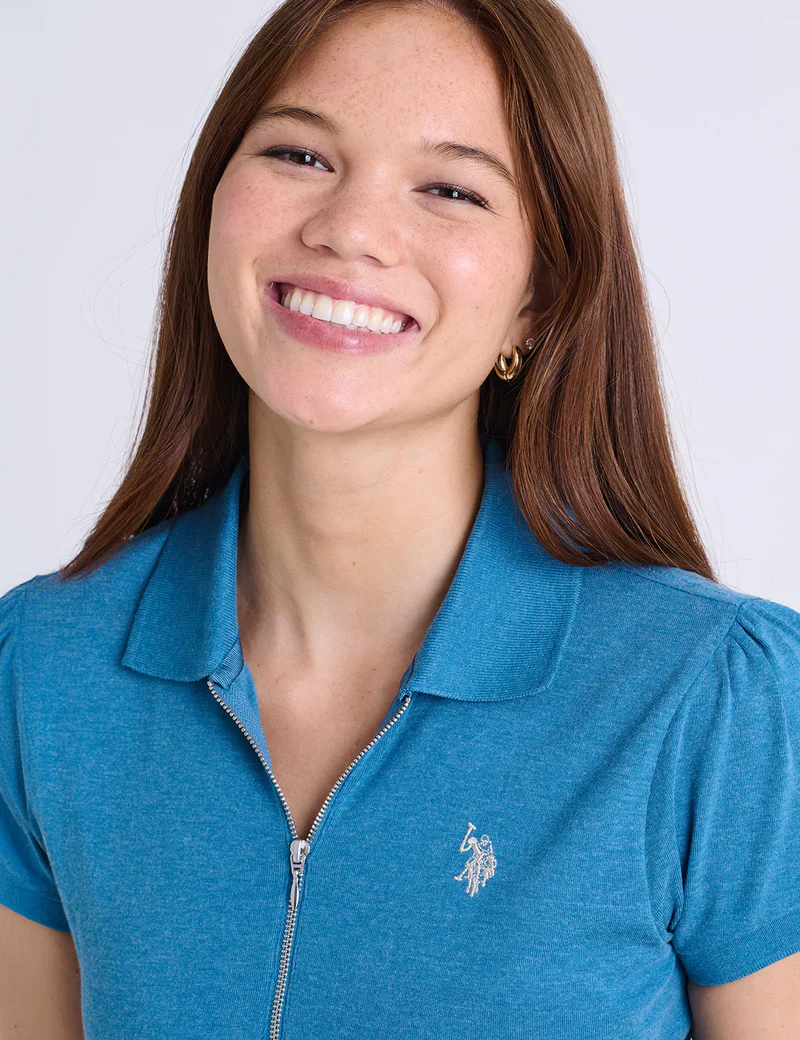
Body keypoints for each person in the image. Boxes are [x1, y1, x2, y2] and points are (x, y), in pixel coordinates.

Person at [1, 0, 799, 1037]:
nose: (348, 230)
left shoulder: (720, 702)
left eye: (451, 189)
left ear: (538, 301)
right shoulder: (43, 671)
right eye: (298, 154)